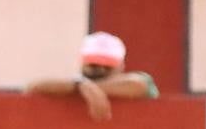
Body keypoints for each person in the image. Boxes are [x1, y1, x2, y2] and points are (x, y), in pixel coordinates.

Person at [26, 31, 157, 121]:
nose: (99, 69)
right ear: (82, 63)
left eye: (107, 66)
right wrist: (80, 85)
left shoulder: (138, 82)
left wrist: (88, 87)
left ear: (121, 66)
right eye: (94, 64)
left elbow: (139, 84)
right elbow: (33, 87)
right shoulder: (75, 83)